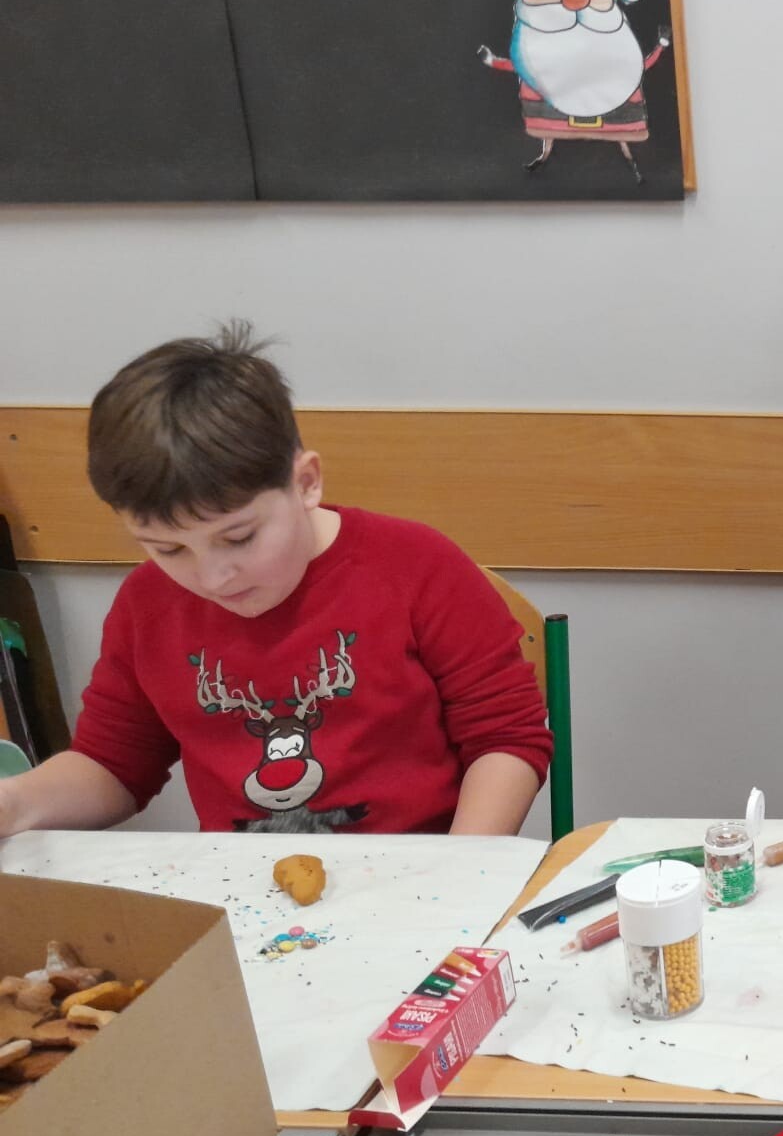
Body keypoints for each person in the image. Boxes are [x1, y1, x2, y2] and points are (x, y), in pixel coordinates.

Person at [0, 326, 551, 838]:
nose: (213, 577)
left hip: (424, 871)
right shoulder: (147, 606)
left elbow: (505, 738)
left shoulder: (418, 566)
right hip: (241, 885)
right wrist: (16, 802)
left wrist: (461, 867)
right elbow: (112, 765)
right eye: (168, 549)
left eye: (239, 538)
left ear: (306, 482)